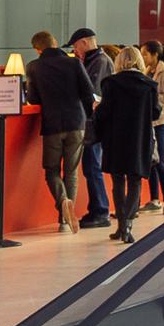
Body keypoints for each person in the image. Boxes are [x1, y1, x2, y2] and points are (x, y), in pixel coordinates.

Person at [25, 30, 96, 234]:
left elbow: (33, 99)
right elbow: (87, 91)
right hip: (76, 122)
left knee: (52, 170)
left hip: (52, 125)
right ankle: (64, 220)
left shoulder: (34, 67)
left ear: (38, 49)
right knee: (72, 172)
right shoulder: (74, 63)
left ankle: (63, 203)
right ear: (55, 43)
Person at [93, 46, 159, 244]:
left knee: (118, 182)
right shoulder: (149, 85)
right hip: (139, 138)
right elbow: (155, 113)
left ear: (119, 62)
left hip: (116, 138)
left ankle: (121, 225)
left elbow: (104, 113)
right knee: (135, 181)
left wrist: (97, 109)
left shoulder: (110, 83)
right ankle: (128, 223)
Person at [68, 28, 114, 229]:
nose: (75, 50)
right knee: (91, 166)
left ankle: (100, 210)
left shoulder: (99, 62)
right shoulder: (97, 60)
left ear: (85, 42)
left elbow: (90, 91)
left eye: (75, 45)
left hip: (92, 124)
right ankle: (98, 208)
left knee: (92, 166)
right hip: (92, 122)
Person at [140, 41, 164, 216]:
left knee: (160, 159)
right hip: (150, 120)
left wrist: (151, 104)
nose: (143, 57)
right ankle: (155, 199)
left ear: (155, 54)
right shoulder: (148, 71)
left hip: (160, 120)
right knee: (151, 160)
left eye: (146, 54)